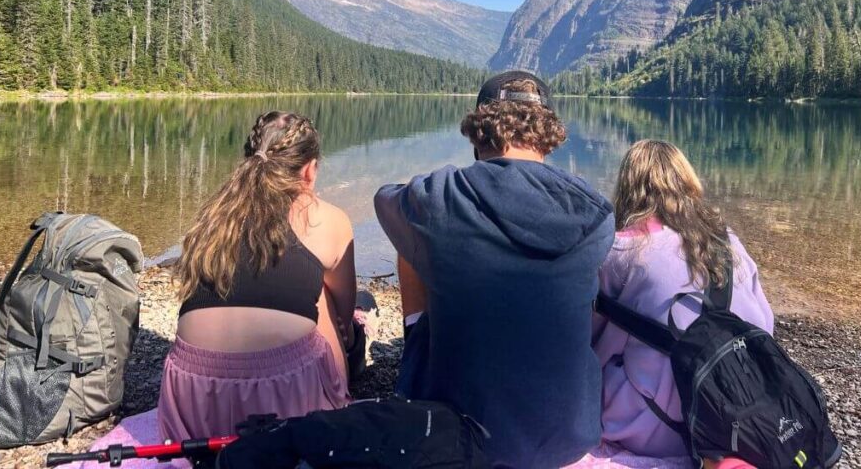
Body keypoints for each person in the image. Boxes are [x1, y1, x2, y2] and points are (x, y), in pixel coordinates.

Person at [374, 71, 615, 469]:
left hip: (459, 435)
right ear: (547, 134)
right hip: (568, 439)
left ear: (478, 133)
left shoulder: (442, 196)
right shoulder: (595, 212)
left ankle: (419, 348)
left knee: (414, 246)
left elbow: (385, 200)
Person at [157, 111, 359, 442]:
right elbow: (345, 311)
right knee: (319, 290)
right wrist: (347, 334)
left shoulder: (215, 215)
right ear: (308, 170)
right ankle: (336, 398)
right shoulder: (326, 218)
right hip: (285, 398)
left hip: (193, 395)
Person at [592, 140, 773, 466]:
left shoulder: (620, 250)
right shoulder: (728, 240)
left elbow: (591, 343)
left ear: (628, 186)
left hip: (653, 429)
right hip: (733, 420)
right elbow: (764, 325)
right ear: (685, 181)